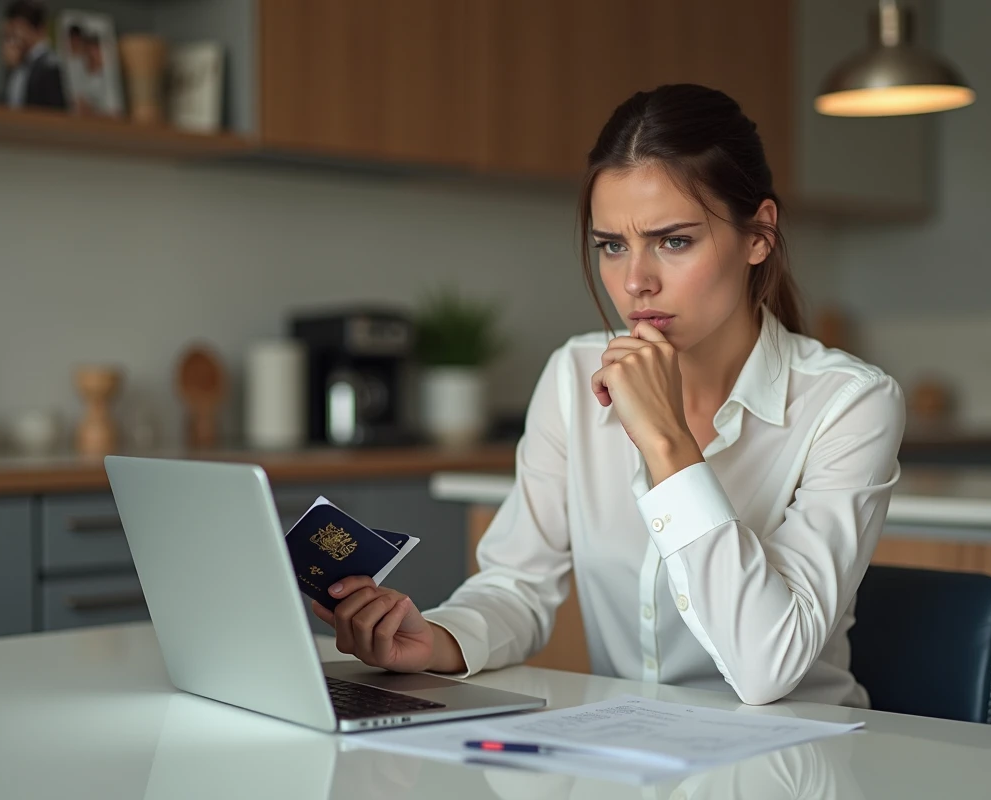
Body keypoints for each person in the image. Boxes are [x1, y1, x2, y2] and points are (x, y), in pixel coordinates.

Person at [315, 84, 906, 707]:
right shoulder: (574, 375)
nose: (634, 282)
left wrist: (666, 441)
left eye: (674, 241)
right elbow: (517, 584)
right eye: (612, 245)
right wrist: (435, 639)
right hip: (631, 755)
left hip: (799, 763)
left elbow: (767, 667)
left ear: (758, 235)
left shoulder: (850, 404)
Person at [1, 0, 65, 110]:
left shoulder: (49, 66)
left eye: (19, 28)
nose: (16, 35)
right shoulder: (22, 64)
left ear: (36, 29)